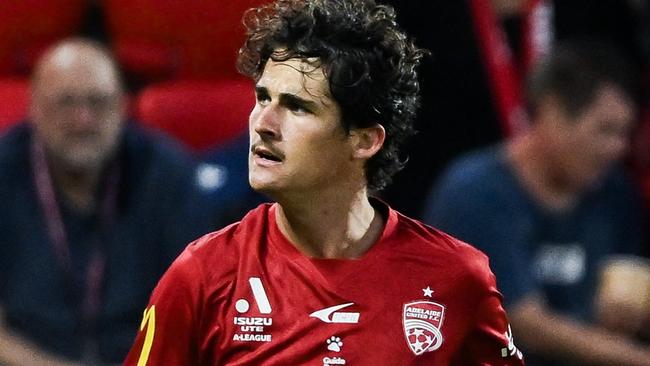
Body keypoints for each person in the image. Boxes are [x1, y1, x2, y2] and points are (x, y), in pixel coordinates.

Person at [125, 0, 525, 364]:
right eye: (263, 98)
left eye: (297, 107)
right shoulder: (202, 276)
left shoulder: (456, 279)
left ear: (365, 140)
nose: (263, 124)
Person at [424, 40, 650, 365]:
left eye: (625, 134)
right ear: (552, 112)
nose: (618, 148)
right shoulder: (474, 192)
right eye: (605, 130)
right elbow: (522, 322)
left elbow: (620, 297)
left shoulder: (615, 194)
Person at [0, 38, 217, 365]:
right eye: (65, 102)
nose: (82, 120)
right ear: (35, 107)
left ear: (122, 107)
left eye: (98, 102)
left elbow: (197, 315)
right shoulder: (4, 171)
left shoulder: (168, 175)